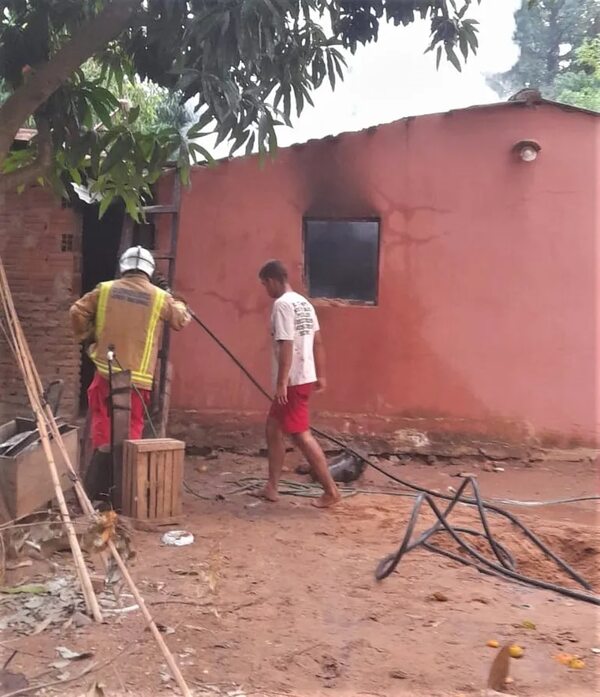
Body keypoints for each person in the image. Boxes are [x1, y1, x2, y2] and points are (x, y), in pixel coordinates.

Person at [69, 245, 190, 500]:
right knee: (132, 429)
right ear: (149, 271)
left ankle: (98, 490)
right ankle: (125, 490)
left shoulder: (105, 289)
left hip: (106, 371)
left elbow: (76, 312)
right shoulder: (159, 297)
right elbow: (181, 319)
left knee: (104, 424)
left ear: (124, 267)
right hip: (138, 379)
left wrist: (88, 338)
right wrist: (173, 296)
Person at [258, 259, 341, 508]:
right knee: (273, 428)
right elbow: (318, 342)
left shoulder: (282, 305)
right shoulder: (304, 303)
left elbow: (286, 343)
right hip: (304, 376)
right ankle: (271, 487)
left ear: (272, 280)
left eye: (264, 284)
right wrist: (322, 374)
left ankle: (331, 491)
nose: (265, 290)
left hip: (292, 380)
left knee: (301, 436)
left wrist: (282, 382)